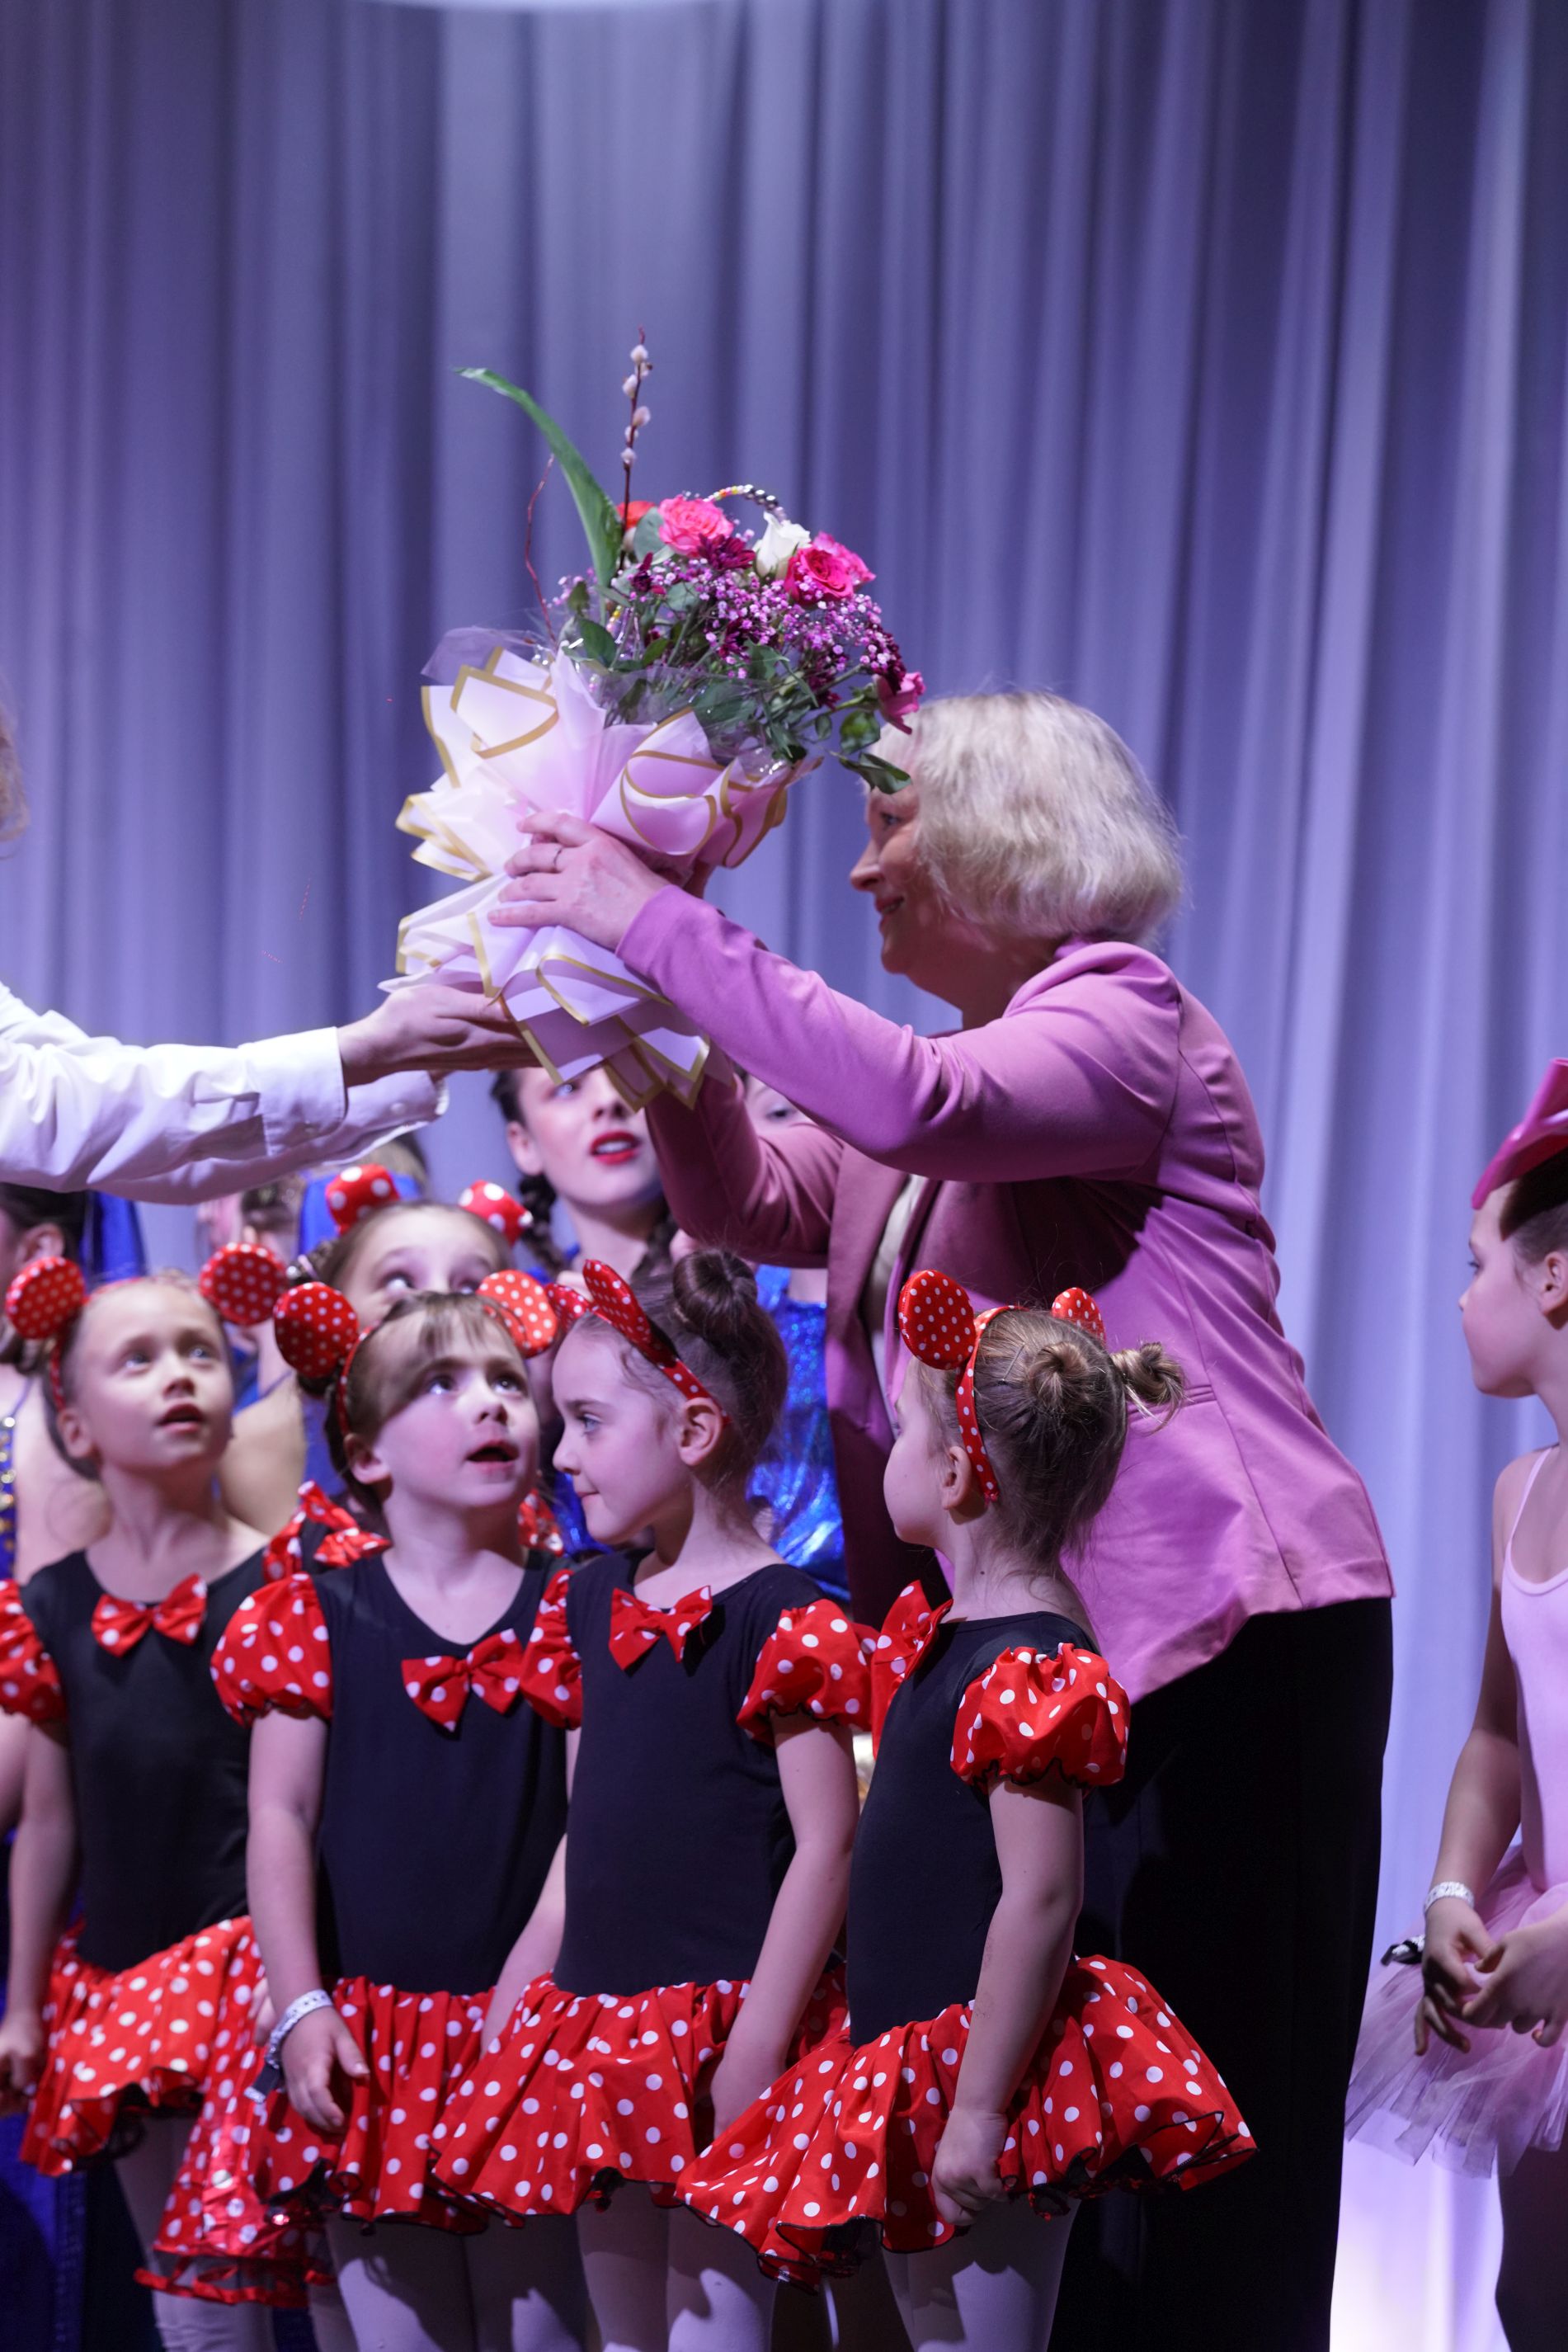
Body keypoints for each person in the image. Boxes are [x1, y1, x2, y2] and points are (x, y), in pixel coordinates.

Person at [497, 688, 1395, 2351]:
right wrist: (650, 1007)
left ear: (1006, 834)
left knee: (1198, 2145)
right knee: (1038, 2132)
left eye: (890, 825)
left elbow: (913, 1099)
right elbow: (742, 1194)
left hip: (1218, 1636)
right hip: (1021, 1659)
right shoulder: (937, 1097)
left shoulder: (1118, 1014)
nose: (861, 872)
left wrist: (660, 918)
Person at [679, 1272, 1254, 2345]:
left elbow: (1040, 1897)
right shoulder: (948, 1636)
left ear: (952, 1473)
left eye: (901, 1428)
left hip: (986, 2069)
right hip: (910, 2061)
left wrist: (980, 2106)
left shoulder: (1026, 1661)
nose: (886, 1447)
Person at [431, 1251, 865, 2352]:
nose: (560, 1455)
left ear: (694, 1429)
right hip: (599, 2031)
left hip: (724, 2023)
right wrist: (527, 1969)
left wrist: (759, 2036)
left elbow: (828, 1844)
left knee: (720, 2329)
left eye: (585, 1420)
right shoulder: (588, 1604)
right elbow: (585, 1829)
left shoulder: (783, 1619)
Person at [209, 1281, 582, 2352]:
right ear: (366, 1454)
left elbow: (589, 1822)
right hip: (373, 2042)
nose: (491, 1402)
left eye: (505, 1378)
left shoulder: (575, 1606)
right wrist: (299, 2003)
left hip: (528, 2026)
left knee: (542, 2330)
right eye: (441, 1384)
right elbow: (280, 1814)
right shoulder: (312, 1614)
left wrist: (530, 1991)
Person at [0, 1260, 315, 2343]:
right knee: (191, 2309)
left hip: (257, 1978)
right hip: (125, 1985)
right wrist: (23, 2002)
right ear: (75, 1425)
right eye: (137, 1360)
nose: (179, 1374)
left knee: (299, 2283)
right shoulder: (52, 1603)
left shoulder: (284, 1586)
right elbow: (50, 1821)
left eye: (199, 1352)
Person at [1347, 1064, 1568, 2350]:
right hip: (1540, 1952)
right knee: (1534, 2294)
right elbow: (1497, 1730)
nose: (1458, 1295)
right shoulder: (1521, 1492)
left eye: (1476, 1264)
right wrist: (1449, 1893)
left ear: (1554, 1277)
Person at [740, 1079, 846, 1601]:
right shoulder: (743, 1297)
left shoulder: (910, 1285)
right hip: (760, 1598)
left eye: (826, 1107)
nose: (809, 1134)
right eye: (781, 1112)